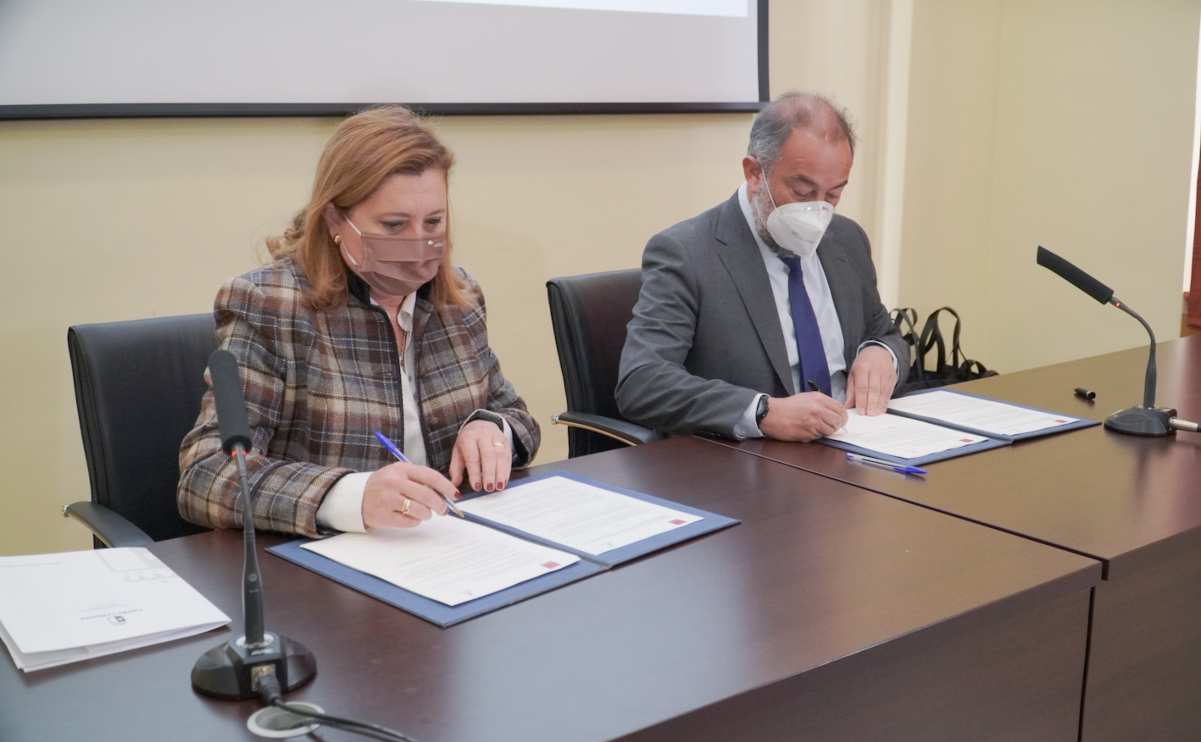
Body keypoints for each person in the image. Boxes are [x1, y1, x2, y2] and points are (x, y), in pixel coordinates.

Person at [178, 106, 539, 538]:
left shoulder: (458, 298)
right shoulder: (271, 304)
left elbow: (516, 415)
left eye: (434, 222)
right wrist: (348, 496)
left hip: (451, 550)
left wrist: (492, 427)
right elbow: (207, 474)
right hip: (330, 569)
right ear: (335, 220)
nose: (419, 243)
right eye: (393, 225)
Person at [616, 92, 909, 443]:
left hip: (855, 451)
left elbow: (885, 332)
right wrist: (763, 412)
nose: (818, 212)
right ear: (755, 173)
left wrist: (882, 354)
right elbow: (643, 382)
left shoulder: (847, 239)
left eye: (833, 194)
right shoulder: (686, 253)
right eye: (802, 191)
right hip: (751, 468)